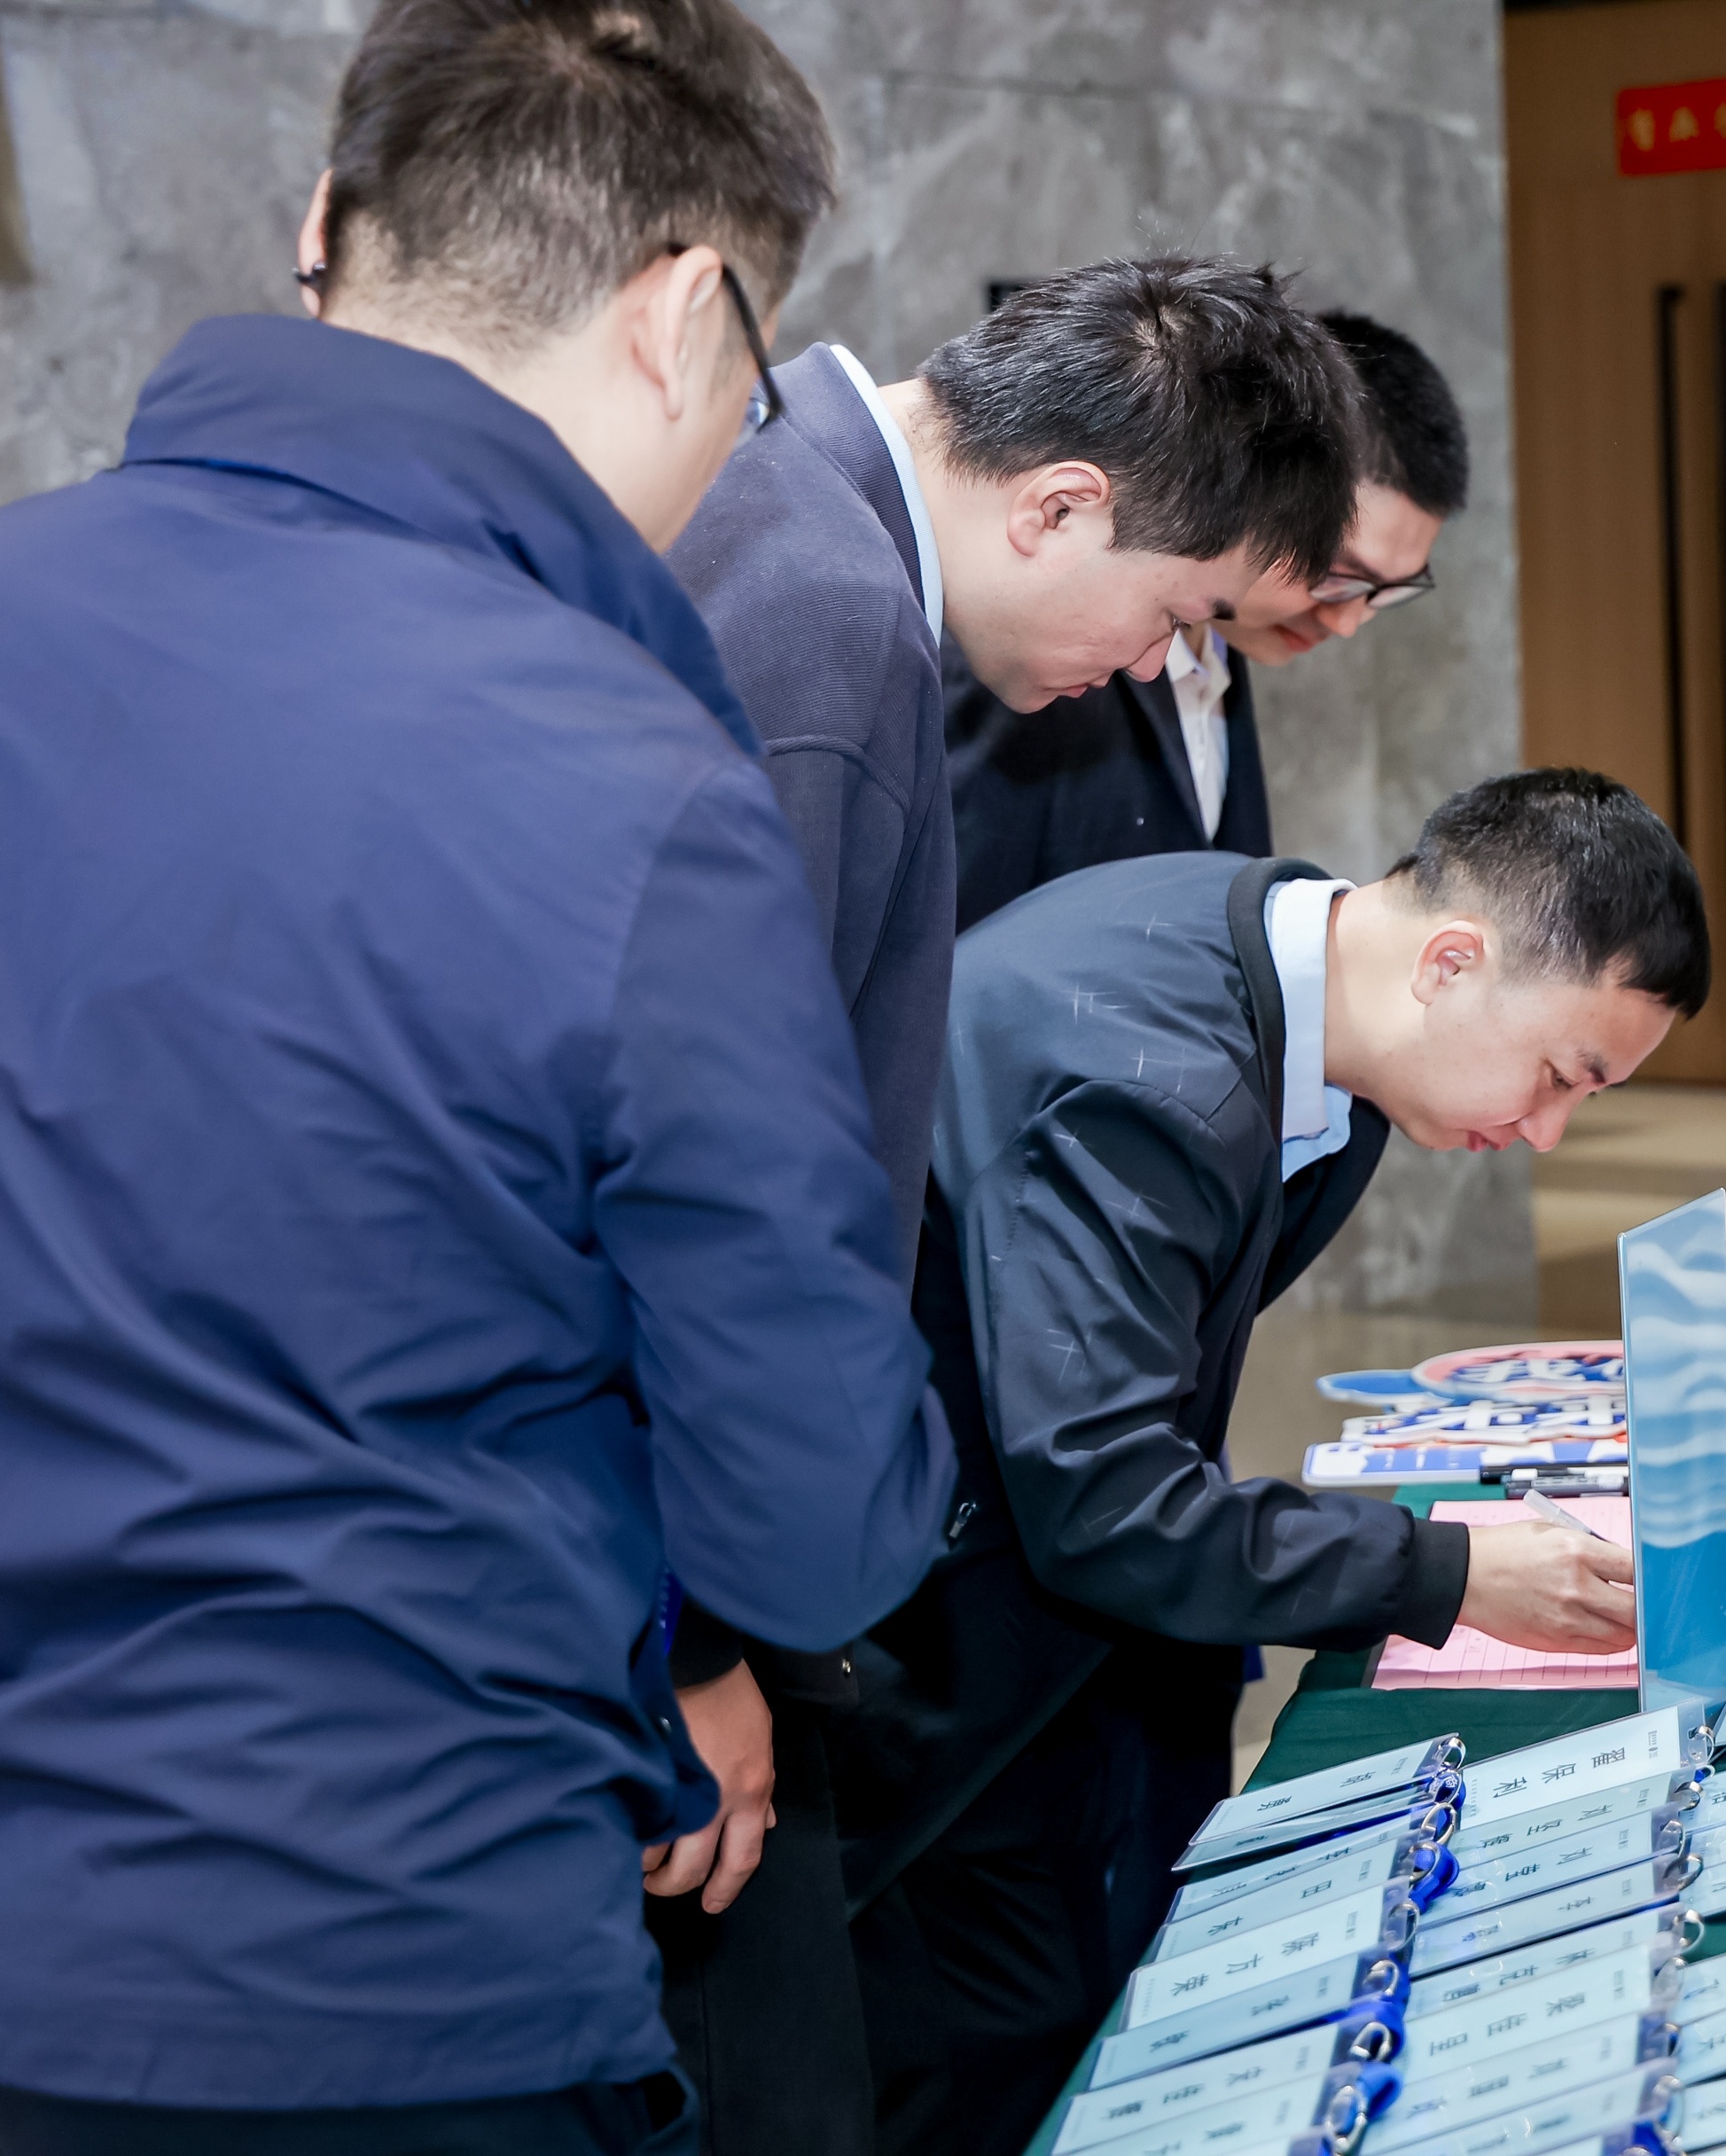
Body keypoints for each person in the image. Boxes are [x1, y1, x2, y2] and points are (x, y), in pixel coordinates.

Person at [0, 4, 954, 2152]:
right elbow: (813, 1524)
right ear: (684, 316)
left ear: (320, 226)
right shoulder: (627, 777)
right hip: (364, 1967)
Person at [645, 256, 1362, 2156]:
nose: (1147, 667)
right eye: (1174, 613)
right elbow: (707, 1170)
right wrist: (695, 1637)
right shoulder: (820, 616)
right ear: (1058, 505)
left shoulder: (805, 525)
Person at [840, 769, 1704, 2153]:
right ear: (1450, 961)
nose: (1545, 1132)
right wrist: (1449, 1571)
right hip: (933, 1673)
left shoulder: (1294, 974)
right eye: (1560, 1075)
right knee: (1011, 2064)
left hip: (1072, 1634)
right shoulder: (1155, 1077)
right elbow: (1106, 1496)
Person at [943, 311, 1472, 926]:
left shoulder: (1224, 647)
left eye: (1385, 592)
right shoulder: (1039, 657)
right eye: (1335, 574)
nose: (1347, 622)